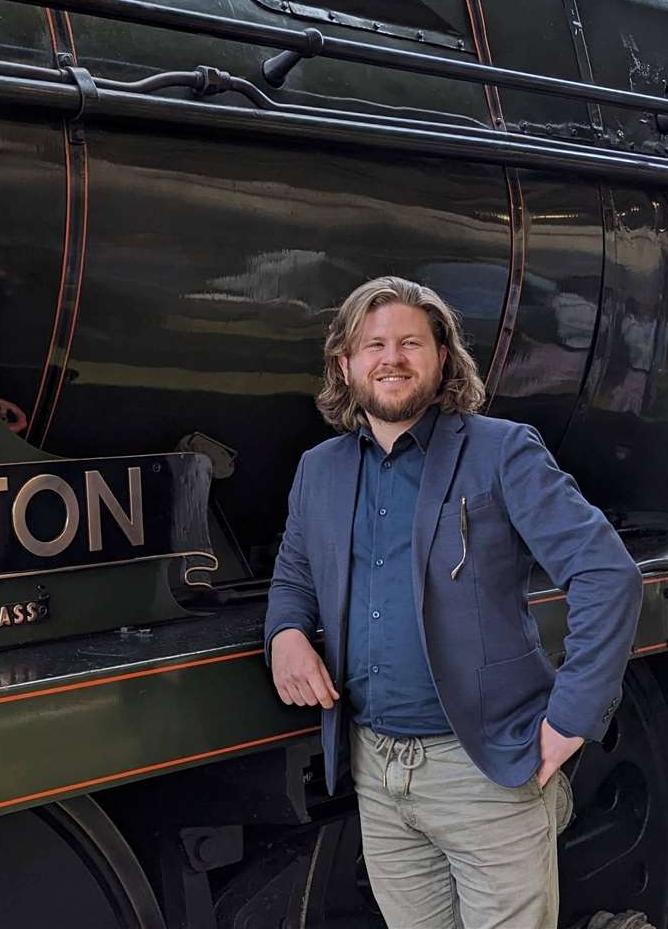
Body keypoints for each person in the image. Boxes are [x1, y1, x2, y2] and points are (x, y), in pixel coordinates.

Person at [264, 276, 641, 929]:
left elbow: (607, 573)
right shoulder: (319, 470)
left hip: (485, 766)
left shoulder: (501, 451)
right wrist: (285, 634)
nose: (392, 358)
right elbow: (295, 576)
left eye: (411, 342)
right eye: (373, 344)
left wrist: (572, 716)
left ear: (442, 357)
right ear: (344, 364)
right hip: (376, 770)